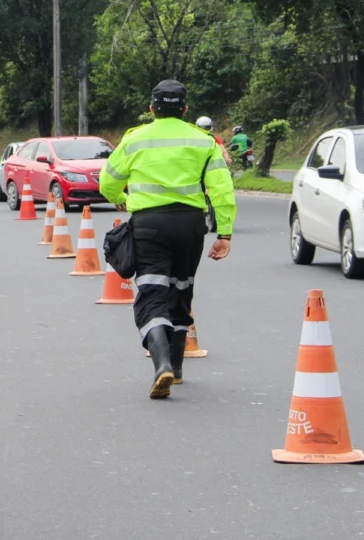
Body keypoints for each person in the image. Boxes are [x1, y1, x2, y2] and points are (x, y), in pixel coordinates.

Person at [98, 79, 236, 400]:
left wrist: (120, 196)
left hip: (149, 226)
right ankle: (177, 364)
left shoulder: (135, 139)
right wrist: (224, 233)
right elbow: (221, 190)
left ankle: (162, 365)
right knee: (181, 289)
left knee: (151, 292)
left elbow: (107, 181)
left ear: (151, 109)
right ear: (185, 110)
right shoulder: (204, 142)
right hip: (190, 227)